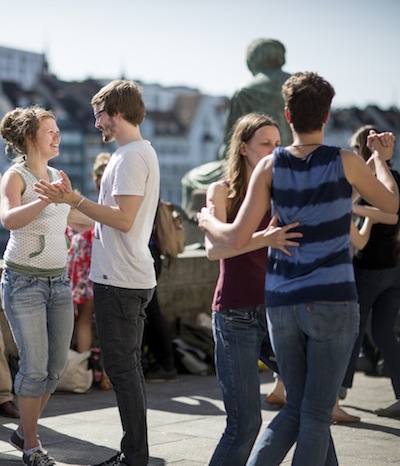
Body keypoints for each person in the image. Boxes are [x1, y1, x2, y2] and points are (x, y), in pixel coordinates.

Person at [197, 72, 399, 465]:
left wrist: (207, 222)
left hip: (281, 304)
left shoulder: (270, 166)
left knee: (296, 407)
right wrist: (379, 160)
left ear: (287, 114)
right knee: (316, 414)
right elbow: (391, 205)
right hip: (332, 302)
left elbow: (236, 238)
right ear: (327, 114)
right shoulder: (346, 162)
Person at [34, 79, 160, 466]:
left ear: (116, 113)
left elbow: (123, 220)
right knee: (127, 369)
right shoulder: (135, 153)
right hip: (125, 277)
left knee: (122, 371)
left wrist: (76, 199)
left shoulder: (130, 157)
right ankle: (134, 453)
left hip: (121, 280)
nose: (96, 124)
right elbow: (103, 221)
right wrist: (62, 205)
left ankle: (135, 456)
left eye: (99, 116)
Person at [204, 112, 302, 466]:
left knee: (309, 409)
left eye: (279, 144)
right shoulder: (222, 191)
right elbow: (215, 250)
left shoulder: (283, 191)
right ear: (243, 147)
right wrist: (266, 238)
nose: (274, 151)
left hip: (280, 313)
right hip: (235, 315)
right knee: (244, 424)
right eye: (265, 144)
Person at [0, 106, 76, 466]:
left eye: (58, 130)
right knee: (34, 367)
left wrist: (94, 209)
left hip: (59, 282)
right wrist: (45, 198)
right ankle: (32, 443)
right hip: (23, 282)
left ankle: (23, 431)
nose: (57, 136)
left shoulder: (60, 175)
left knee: (56, 366)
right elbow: (9, 218)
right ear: (30, 138)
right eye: (50, 131)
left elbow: (72, 216)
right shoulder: (15, 177)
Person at [339, 124, 400, 419]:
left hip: (370, 267)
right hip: (394, 268)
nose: (351, 153)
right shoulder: (395, 179)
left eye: (354, 148)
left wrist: (357, 211)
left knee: (352, 329)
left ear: (363, 149)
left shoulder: (365, 184)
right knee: (385, 333)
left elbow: (392, 214)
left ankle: (338, 388)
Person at [66, 151, 111, 390]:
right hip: (99, 270)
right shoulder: (107, 209)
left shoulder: (86, 208)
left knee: (86, 321)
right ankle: (102, 373)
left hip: (85, 273)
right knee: (101, 322)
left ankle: (85, 371)